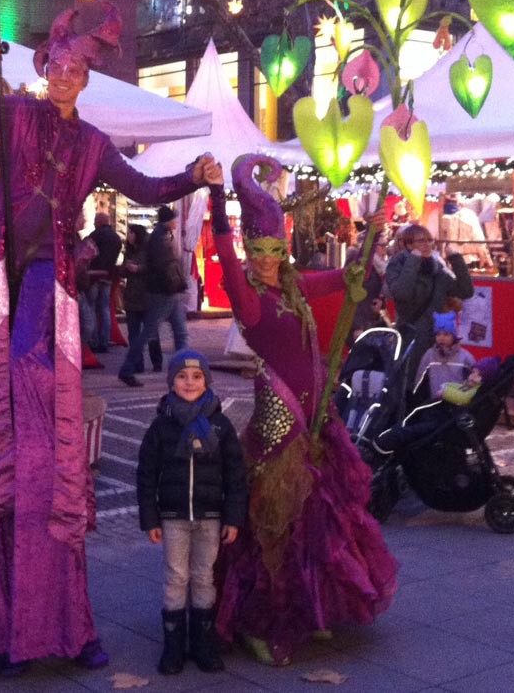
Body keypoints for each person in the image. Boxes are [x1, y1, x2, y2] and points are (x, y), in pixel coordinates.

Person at [0, 5, 216, 673]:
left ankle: (58, 623)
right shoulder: (15, 115)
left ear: (85, 80)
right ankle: (6, 626)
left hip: (48, 290)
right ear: (42, 67)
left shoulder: (93, 145)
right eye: (57, 64)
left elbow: (144, 185)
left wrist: (193, 176)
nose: (64, 75)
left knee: (47, 458)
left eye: (77, 69)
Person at [207, 155, 397, 665]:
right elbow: (225, 255)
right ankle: (259, 620)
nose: (267, 259)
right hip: (280, 417)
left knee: (313, 515)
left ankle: (307, 608)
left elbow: (342, 276)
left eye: (274, 249)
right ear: (249, 250)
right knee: (275, 520)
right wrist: (217, 201)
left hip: (318, 416)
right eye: (258, 250)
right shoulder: (247, 298)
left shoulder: (293, 287)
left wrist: (371, 235)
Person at [137, 349, 246, 675]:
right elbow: (146, 473)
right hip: (174, 517)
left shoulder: (221, 425)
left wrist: (232, 516)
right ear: (171, 383)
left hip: (210, 517)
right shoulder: (161, 427)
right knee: (175, 578)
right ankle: (173, 646)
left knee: (202, 578)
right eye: (182, 377)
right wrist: (151, 518)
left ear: (207, 381)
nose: (189, 382)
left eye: (197, 377)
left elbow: (235, 475)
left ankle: (202, 643)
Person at [384, 224, 473, 387]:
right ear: (408, 245)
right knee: (408, 384)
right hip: (410, 339)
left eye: (429, 240)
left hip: (436, 339)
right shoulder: (397, 265)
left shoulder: (437, 269)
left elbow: (466, 291)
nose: (427, 245)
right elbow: (401, 293)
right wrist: (414, 260)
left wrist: (456, 260)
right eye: (421, 241)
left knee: (432, 385)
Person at [119, 206, 188, 385]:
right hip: (163, 292)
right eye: (173, 219)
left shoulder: (163, 236)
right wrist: (177, 282)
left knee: (180, 332)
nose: (176, 221)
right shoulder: (159, 239)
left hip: (166, 291)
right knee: (150, 332)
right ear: (168, 220)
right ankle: (127, 369)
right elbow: (164, 266)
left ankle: (184, 369)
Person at [121, 223, 162, 382]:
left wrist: (138, 269)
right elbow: (123, 270)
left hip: (147, 297)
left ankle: (156, 361)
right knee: (133, 333)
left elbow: (155, 268)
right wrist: (126, 268)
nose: (129, 236)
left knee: (151, 332)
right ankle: (137, 363)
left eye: (131, 233)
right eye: (128, 233)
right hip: (132, 297)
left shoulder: (149, 250)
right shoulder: (129, 251)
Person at [413, 312, 476, 400]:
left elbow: (474, 381)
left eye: (446, 334)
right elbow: (419, 380)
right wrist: (417, 398)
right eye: (438, 334)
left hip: (458, 403)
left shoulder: (465, 357)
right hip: (435, 403)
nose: (441, 338)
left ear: (453, 336)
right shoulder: (430, 355)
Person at [85, 211, 122, 352]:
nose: (94, 222)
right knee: (105, 308)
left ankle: (93, 341)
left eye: (95, 220)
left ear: (99, 221)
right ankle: (105, 340)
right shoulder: (116, 238)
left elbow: (87, 254)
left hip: (94, 276)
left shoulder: (94, 236)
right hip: (108, 276)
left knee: (92, 307)